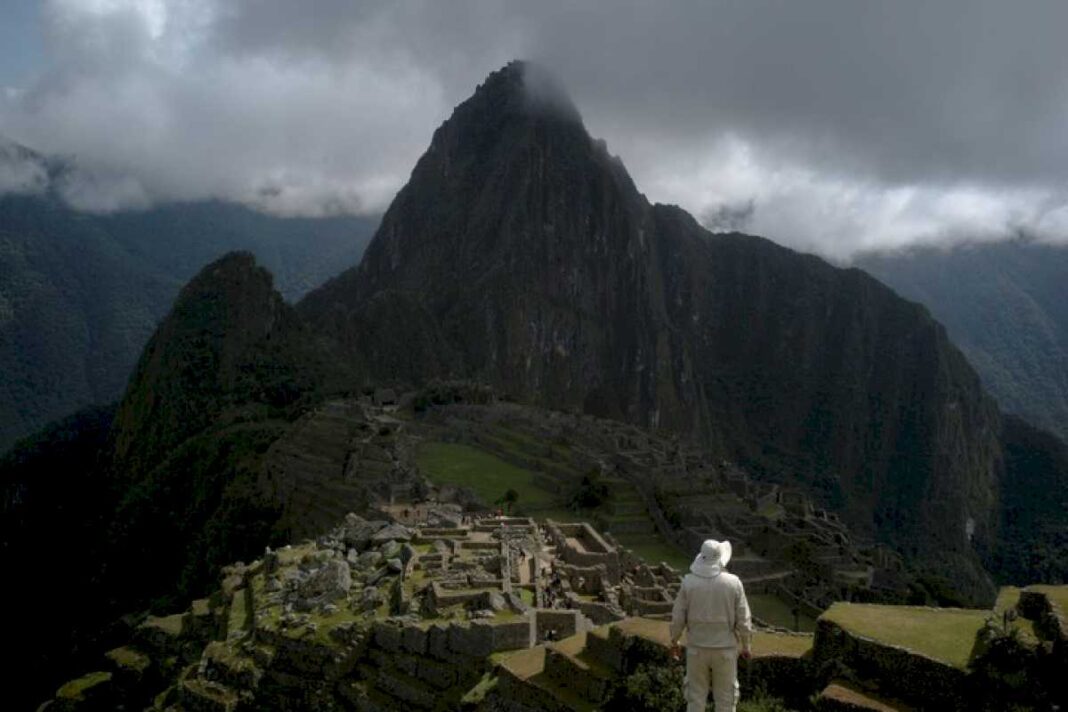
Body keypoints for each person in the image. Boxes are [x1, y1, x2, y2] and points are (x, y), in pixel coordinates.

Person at [669, 539, 752, 712]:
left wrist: (674, 640)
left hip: (696, 649)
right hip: (725, 650)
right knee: (725, 701)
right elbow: (743, 618)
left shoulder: (688, 583)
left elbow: (678, 618)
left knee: (695, 699)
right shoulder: (733, 583)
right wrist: (746, 646)